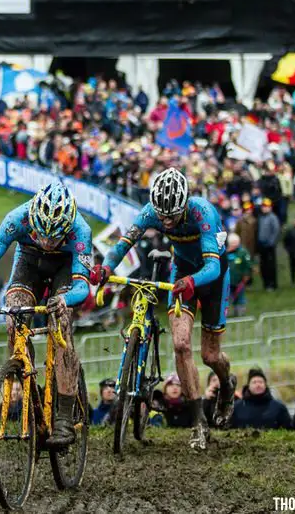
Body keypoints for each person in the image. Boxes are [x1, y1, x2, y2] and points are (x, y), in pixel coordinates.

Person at [90, 168, 234, 448]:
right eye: (162, 216)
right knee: (181, 345)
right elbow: (122, 244)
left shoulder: (203, 213)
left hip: (212, 278)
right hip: (182, 274)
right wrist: (106, 267)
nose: (166, 222)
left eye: (172, 216)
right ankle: (198, 422)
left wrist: (193, 281)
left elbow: (213, 266)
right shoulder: (150, 212)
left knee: (210, 355)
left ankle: (227, 385)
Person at [0, 181, 92, 447]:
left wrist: (64, 299)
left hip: (65, 270)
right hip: (28, 264)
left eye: (55, 238)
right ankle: (31, 388)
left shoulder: (81, 230)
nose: (47, 242)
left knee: (62, 323)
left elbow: (82, 286)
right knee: (13, 320)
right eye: (42, 235)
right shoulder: (15, 219)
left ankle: (64, 418)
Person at [256, 198, 281, 291]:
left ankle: (272, 284)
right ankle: (265, 284)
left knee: (271, 266)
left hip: (269, 246)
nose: (265, 208)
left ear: (270, 207)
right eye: (263, 206)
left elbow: (276, 231)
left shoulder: (273, 217)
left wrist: (271, 243)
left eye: (267, 207)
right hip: (261, 245)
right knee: (263, 266)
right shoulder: (261, 217)